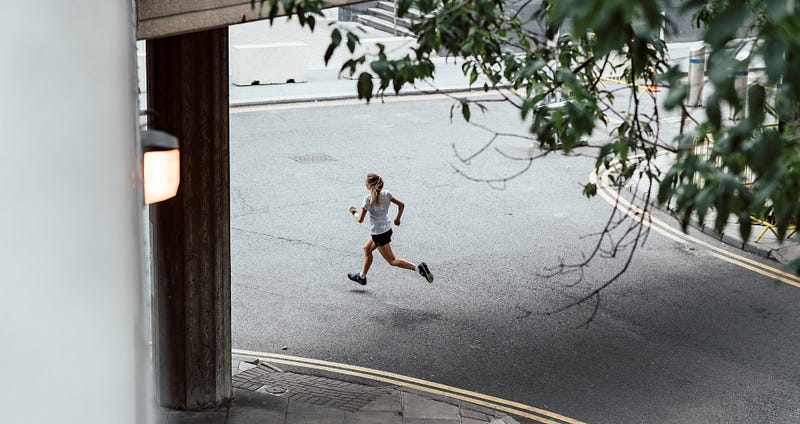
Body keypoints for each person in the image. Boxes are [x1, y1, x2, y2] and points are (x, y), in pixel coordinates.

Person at [347, 173, 433, 286]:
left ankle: (419, 269)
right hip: (386, 229)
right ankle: (362, 277)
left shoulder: (368, 199)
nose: (365, 184)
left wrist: (353, 211)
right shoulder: (387, 194)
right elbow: (401, 205)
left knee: (392, 261)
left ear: (370, 186)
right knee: (366, 249)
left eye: (366, 183)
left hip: (379, 234)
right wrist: (397, 219)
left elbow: (360, 219)